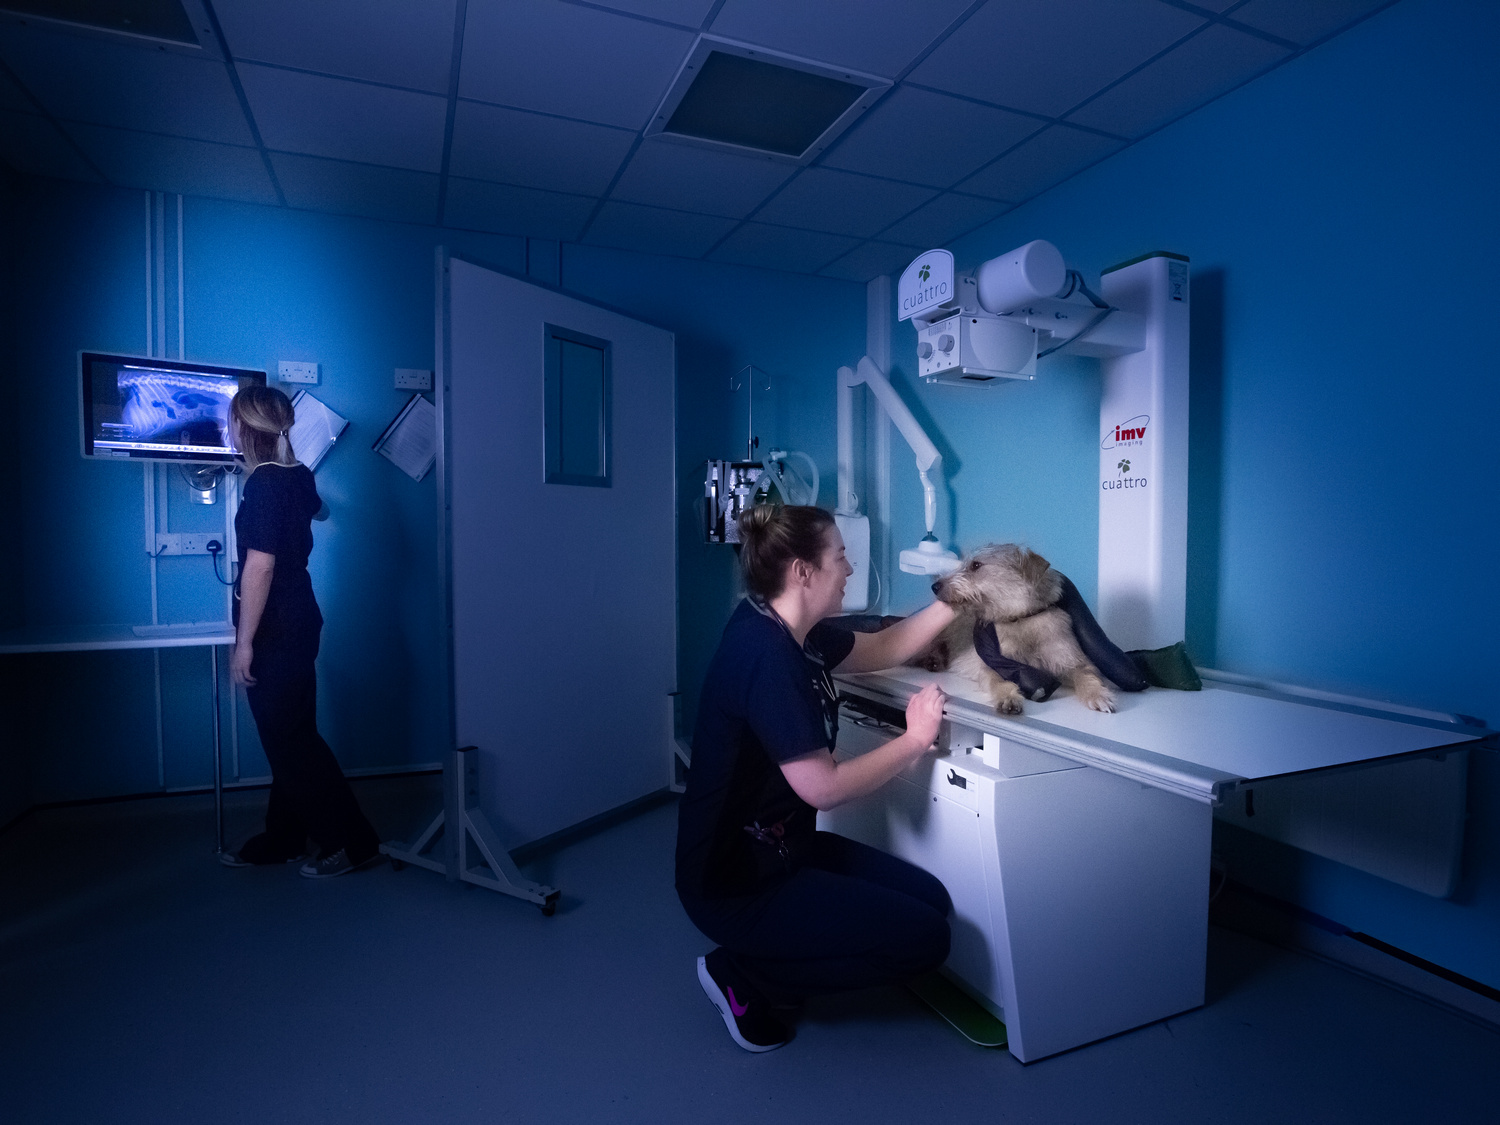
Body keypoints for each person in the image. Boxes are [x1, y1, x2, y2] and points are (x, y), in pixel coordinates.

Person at [676, 503, 959, 1052]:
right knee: (926, 941)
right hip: (735, 883)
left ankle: (758, 955)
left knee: (931, 900)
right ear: (804, 571)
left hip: (784, 850)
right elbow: (822, 788)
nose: (850, 569)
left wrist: (960, 594)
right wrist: (915, 739)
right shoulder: (767, 657)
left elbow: (884, 647)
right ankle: (745, 977)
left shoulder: (790, 629)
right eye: (841, 557)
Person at [220, 385, 381, 879]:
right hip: (300, 620)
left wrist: (243, 643)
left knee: (293, 742)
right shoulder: (297, 477)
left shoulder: (265, 484)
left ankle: (354, 843)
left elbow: (260, 568)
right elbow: (320, 511)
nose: (228, 430)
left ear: (245, 428)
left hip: (276, 630)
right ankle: (285, 838)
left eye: (231, 422)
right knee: (289, 737)